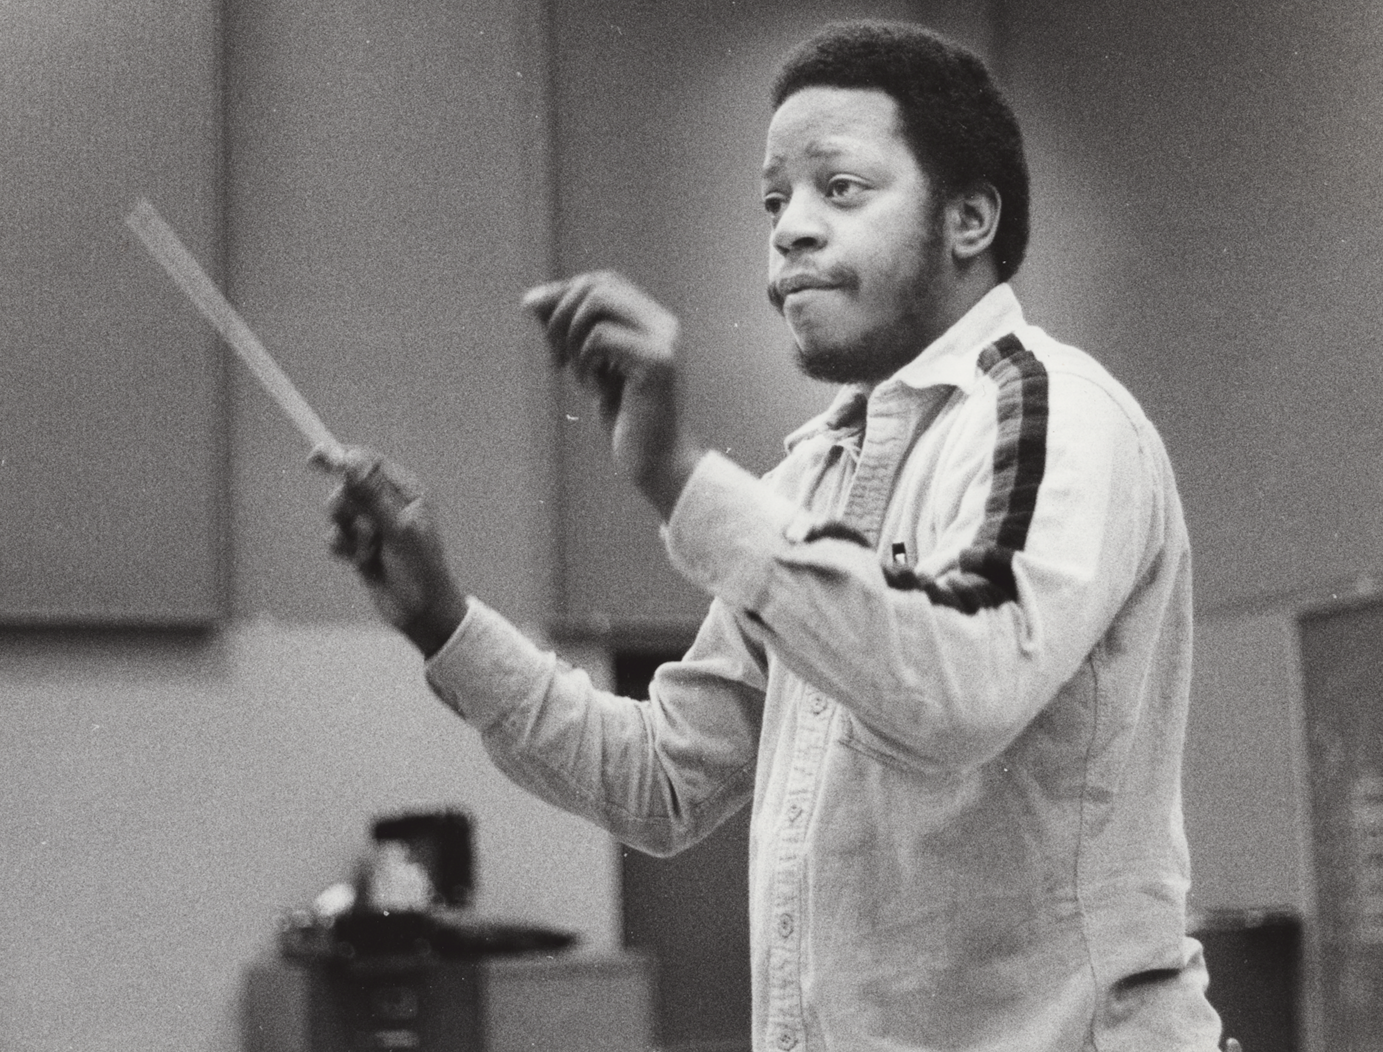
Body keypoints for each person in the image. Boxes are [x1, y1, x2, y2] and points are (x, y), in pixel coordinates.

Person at [321, 20, 1232, 1052]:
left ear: (969, 218)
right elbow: (661, 780)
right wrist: (442, 619)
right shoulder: (815, 476)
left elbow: (965, 686)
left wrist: (678, 478)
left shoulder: (1054, 412)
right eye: (773, 201)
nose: (791, 228)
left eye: (839, 188)